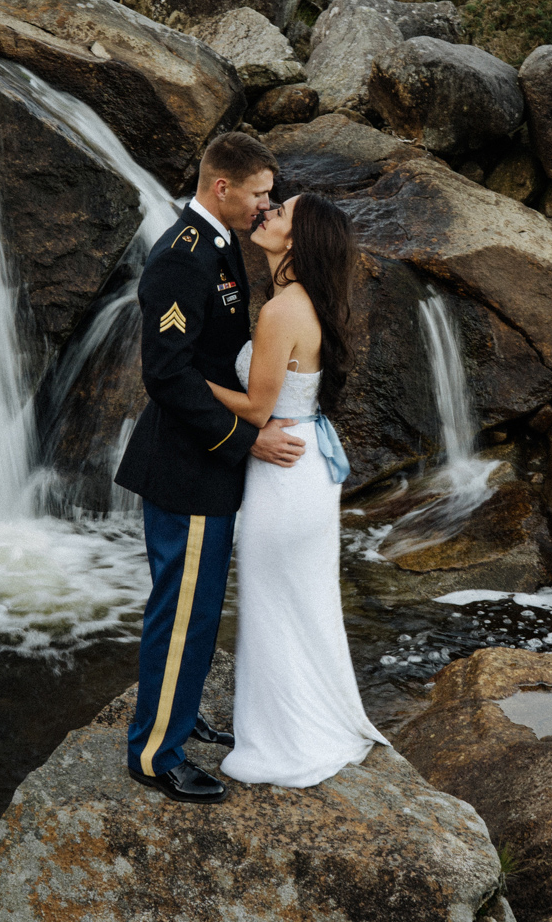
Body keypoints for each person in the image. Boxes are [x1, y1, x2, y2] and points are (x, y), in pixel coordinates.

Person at [114, 132, 304, 805]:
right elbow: (167, 376)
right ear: (222, 188)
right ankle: (153, 754)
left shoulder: (221, 243)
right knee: (183, 610)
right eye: (258, 194)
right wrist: (246, 438)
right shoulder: (180, 260)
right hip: (187, 467)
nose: (266, 205)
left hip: (207, 465)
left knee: (198, 609)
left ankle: (181, 712)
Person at [205, 193, 389, 788]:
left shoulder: (283, 310)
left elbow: (258, 409)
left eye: (279, 213)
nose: (267, 214)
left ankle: (286, 739)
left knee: (272, 605)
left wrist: (192, 381)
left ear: (297, 241)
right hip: (305, 467)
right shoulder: (306, 303)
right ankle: (309, 722)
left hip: (283, 476)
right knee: (299, 603)